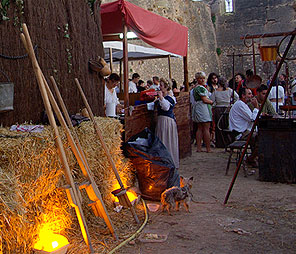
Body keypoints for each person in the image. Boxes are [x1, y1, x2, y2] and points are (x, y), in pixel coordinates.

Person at [229, 87, 259, 166]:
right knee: (260, 138)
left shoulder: (243, 105)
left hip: (244, 131)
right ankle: (250, 158)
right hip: (240, 133)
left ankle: (252, 158)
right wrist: (256, 107)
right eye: (249, 94)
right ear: (243, 95)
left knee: (258, 137)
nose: (251, 96)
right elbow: (253, 118)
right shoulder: (240, 105)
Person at [155, 78, 179, 169]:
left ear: (166, 87)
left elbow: (166, 107)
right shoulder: (164, 98)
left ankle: (169, 161)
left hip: (167, 121)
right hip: (161, 120)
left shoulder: (170, 98)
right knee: (162, 139)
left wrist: (160, 97)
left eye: (161, 85)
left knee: (168, 140)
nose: (160, 87)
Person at [210, 76, 239, 148]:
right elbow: (237, 97)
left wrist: (215, 105)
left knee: (219, 127)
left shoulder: (216, 92)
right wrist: (231, 104)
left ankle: (221, 143)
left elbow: (211, 100)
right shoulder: (230, 90)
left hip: (218, 109)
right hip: (227, 108)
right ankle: (229, 141)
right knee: (227, 125)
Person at [191, 72, 213, 153]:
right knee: (206, 128)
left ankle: (199, 148)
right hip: (203, 107)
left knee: (200, 128)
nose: (203, 80)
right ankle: (208, 148)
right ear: (197, 79)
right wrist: (212, 102)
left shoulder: (196, 88)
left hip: (198, 107)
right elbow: (204, 99)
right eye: (201, 78)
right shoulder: (201, 88)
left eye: (203, 78)